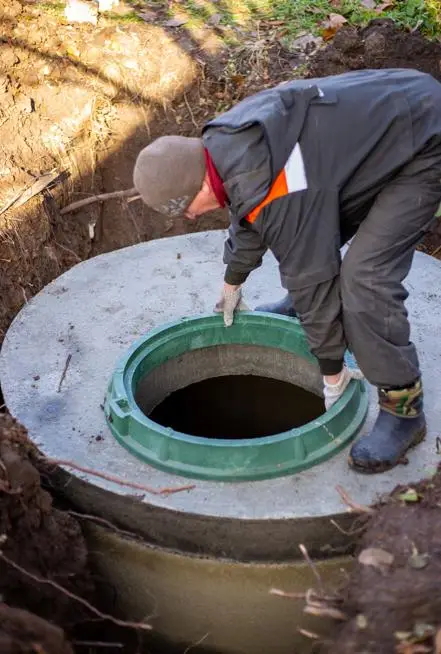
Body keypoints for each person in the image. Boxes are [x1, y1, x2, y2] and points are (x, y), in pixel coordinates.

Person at [132, 68, 441, 474]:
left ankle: (404, 411)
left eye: (185, 208)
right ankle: (299, 309)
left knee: (364, 280)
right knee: (311, 237)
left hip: (423, 144)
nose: (189, 217)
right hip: (391, 114)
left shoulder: (272, 187)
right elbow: (248, 210)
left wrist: (331, 373)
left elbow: (310, 271)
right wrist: (233, 279)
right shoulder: (225, 143)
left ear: (200, 186)